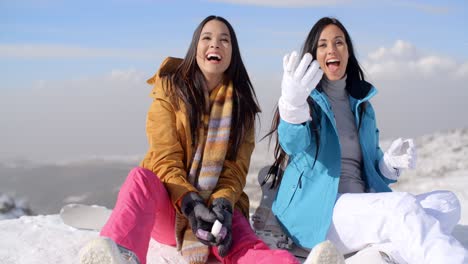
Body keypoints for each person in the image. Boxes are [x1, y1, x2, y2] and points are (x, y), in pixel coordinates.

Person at [78, 15, 341, 264]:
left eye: (224, 39)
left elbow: (235, 171)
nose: (215, 43)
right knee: (141, 178)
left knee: (246, 244)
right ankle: (120, 254)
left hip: (217, 215)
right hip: (173, 207)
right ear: (195, 47)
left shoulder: (242, 107)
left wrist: (223, 205)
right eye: (207, 38)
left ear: (231, 53)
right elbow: (164, 159)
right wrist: (191, 204)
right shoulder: (168, 92)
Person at [261, 16, 468, 264]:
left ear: (348, 52)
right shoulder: (307, 102)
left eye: (339, 42)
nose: (332, 49)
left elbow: (369, 166)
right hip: (321, 214)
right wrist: (292, 105)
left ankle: (374, 255)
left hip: (359, 208)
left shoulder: (362, 107)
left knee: (447, 203)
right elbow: (292, 144)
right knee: (401, 208)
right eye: (323, 45)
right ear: (314, 55)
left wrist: (388, 164)